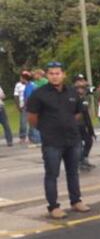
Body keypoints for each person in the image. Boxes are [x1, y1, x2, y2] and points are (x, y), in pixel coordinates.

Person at [25, 62, 91, 220]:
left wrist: (68, 124)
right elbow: (32, 118)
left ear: (63, 74)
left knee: (73, 172)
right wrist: (47, 129)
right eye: (51, 73)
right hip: (52, 142)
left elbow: (78, 113)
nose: (55, 76)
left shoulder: (72, 91)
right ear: (47, 75)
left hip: (72, 139)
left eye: (57, 73)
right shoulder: (39, 94)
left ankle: (76, 201)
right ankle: (53, 206)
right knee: (52, 174)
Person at [74, 75, 97, 171]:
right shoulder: (71, 93)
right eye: (79, 81)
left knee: (89, 141)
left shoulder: (85, 93)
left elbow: (94, 89)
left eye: (82, 81)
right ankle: (78, 163)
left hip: (83, 123)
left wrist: (91, 130)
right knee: (78, 144)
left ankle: (84, 159)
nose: (81, 83)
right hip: (74, 123)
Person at [24, 69, 44, 146]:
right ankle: (35, 139)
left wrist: (27, 106)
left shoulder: (30, 85)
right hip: (36, 105)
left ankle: (38, 140)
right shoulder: (33, 84)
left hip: (34, 106)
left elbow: (29, 97)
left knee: (34, 122)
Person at [14, 72, 30, 144]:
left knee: (32, 123)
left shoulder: (31, 84)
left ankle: (32, 137)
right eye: (20, 77)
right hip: (22, 106)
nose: (21, 78)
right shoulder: (18, 85)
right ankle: (22, 137)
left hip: (31, 106)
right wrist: (18, 106)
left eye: (22, 77)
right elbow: (16, 96)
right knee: (23, 122)